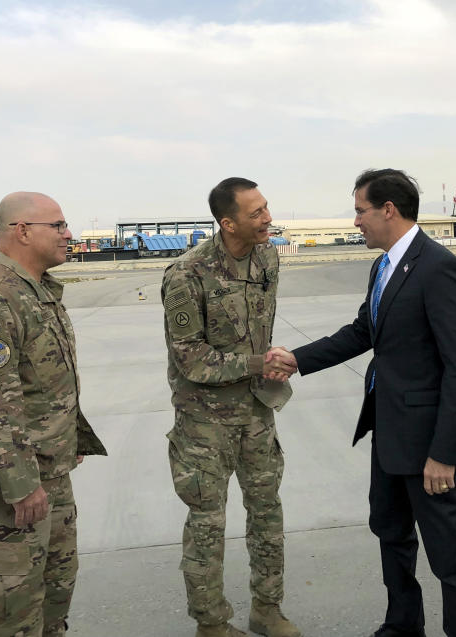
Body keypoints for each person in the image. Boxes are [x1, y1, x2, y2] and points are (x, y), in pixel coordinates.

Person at [271, 168, 456, 637]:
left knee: (448, 554)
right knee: (391, 534)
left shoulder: (438, 267)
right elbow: (363, 332)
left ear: (388, 209)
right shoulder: (384, 265)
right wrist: (296, 359)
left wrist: (444, 453)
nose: (356, 222)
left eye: (359, 211)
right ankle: (404, 624)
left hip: (430, 445)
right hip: (388, 432)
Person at [0, 191, 107, 635]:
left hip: (46, 475)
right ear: (22, 231)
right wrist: (23, 483)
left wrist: (67, 442)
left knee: (52, 604)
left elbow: (41, 386)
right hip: (4, 490)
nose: (69, 234)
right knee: (12, 620)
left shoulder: (38, 294)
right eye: (59, 225)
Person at [161, 178, 299, 637]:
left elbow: (260, 324)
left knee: (267, 514)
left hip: (258, 412)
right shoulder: (187, 274)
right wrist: (259, 361)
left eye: (266, 208)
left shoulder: (268, 258)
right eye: (256, 213)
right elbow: (191, 358)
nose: (268, 218)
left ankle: (267, 608)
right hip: (205, 424)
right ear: (228, 222)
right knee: (207, 525)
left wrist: (267, 363)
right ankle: (212, 624)